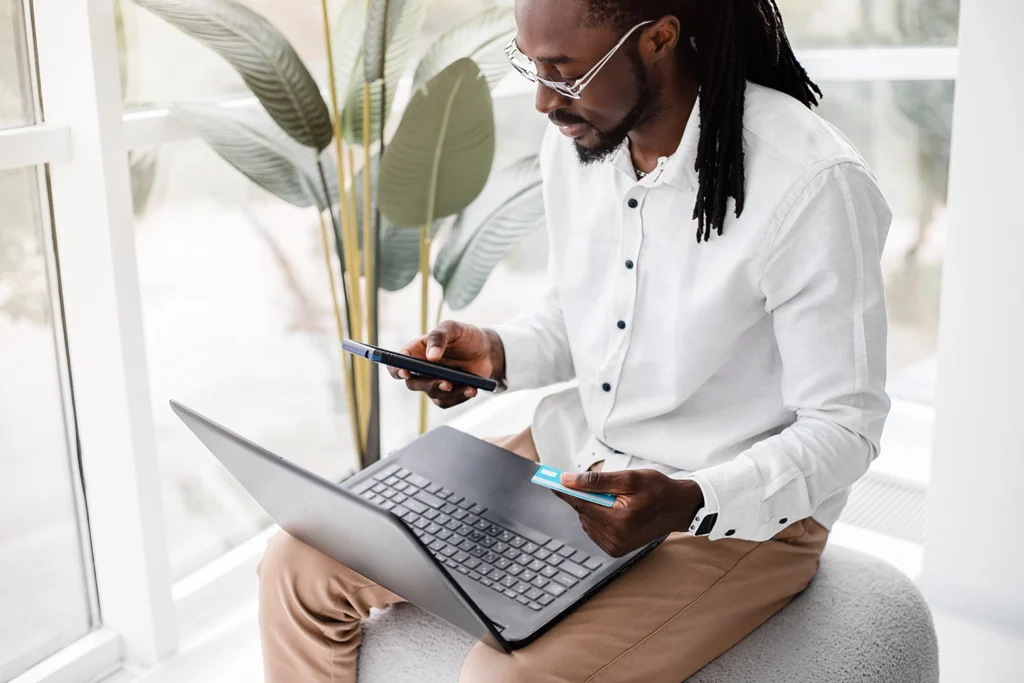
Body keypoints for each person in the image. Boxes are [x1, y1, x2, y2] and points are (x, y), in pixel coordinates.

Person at [256, 0, 892, 680]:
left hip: (731, 510)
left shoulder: (811, 183)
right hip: (577, 460)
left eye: (565, 72)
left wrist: (691, 499)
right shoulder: (583, 138)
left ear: (658, 39)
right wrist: (496, 352)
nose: (542, 100)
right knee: (298, 561)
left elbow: (844, 426)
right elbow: (587, 316)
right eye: (531, 65)